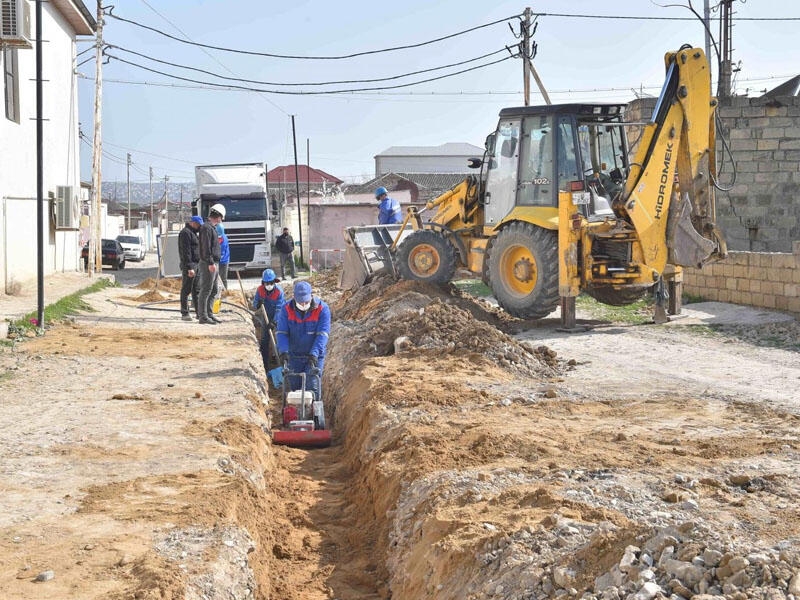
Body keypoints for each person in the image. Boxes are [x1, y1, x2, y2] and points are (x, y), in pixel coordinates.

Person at [276, 280, 330, 401]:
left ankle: (314, 416)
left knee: (312, 388)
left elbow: (322, 334)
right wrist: (283, 351)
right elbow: (282, 332)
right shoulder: (286, 309)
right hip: (294, 356)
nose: (304, 304)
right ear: (294, 297)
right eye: (300, 302)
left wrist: (315, 353)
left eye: (306, 301)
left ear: (311, 296)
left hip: (314, 356)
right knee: (294, 389)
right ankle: (295, 414)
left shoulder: (322, 309)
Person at [252, 268, 285, 376]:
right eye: (267, 283)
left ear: (274, 282)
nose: (269, 285)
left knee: (281, 339)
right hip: (265, 316)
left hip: (278, 318)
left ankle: (282, 363)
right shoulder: (260, 290)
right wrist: (258, 304)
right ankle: (265, 367)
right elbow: (254, 304)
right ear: (263, 282)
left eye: (271, 282)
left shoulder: (279, 292)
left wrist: (274, 322)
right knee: (265, 340)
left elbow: (279, 309)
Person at [197, 203, 224, 325]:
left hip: (214, 263)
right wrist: (210, 262)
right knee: (206, 289)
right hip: (209, 263)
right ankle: (203, 316)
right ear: (217, 216)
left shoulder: (211, 228)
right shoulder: (206, 228)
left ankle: (209, 313)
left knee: (214, 290)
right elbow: (206, 248)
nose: (221, 220)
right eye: (221, 217)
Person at [178, 215, 203, 321]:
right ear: (193, 223)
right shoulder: (185, 233)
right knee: (186, 289)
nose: (199, 227)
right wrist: (189, 267)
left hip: (196, 264)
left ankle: (199, 313)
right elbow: (186, 251)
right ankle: (185, 312)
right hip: (190, 265)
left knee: (196, 290)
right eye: (198, 225)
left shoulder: (193, 233)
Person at [215, 220, 230, 291]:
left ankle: (225, 292)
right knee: (215, 279)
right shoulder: (215, 237)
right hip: (217, 261)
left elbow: (221, 252)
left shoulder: (224, 239)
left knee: (223, 278)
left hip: (223, 261)